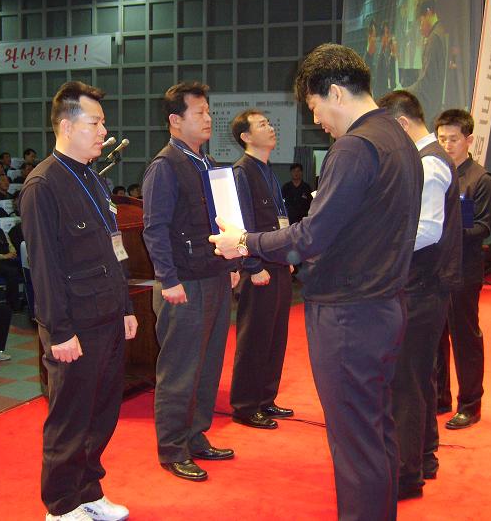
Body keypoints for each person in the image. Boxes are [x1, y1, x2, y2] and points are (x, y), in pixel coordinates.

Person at [209, 44, 422, 520]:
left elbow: (310, 236)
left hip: (349, 314)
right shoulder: (399, 138)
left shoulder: (355, 147)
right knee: (375, 431)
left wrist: (244, 242)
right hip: (384, 305)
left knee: (355, 444)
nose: (317, 120)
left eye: (314, 107)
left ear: (336, 93)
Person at [17, 80, 137, 521]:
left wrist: (126, 307)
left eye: (103, 122)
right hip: (74, 324)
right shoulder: (43, 185)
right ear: (66, 126)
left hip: (107, 314)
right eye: (95, 122)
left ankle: (88, 489)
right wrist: (59, 331)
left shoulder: (93, 178)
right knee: (70, 417)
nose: (104, 131)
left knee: (101, 412)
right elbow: (44, 268)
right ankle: (61, 504)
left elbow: (113, 248)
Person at [142, 81, 239, 483]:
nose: (208, 118)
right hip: (182, 283)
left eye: (208, 111)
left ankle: (196, 435)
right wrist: (167, 279)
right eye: (199, 112)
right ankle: (172, 448)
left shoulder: (207, 162)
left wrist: (232, 262)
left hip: (213, 275)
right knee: (180, 369)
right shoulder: (165, 166)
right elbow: (154, 229)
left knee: (207, 365)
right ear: (175, 120)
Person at [379, 90, 462, 500]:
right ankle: (424, 456)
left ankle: (407, 473)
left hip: (421, 286)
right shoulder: (429, 159)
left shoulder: (429, 163)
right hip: (428, 285)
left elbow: (426, 230)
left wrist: (381, 248)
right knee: (420, 376)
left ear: (401, 123)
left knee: (407, 381)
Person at [227, 108, 294, 431]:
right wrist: (252, 266)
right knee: (254, 337)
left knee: (275, 335)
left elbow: (279, 220)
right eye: (262, 124)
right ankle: (245, 405)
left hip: (277, 262)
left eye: (269, 122)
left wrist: (288, 254)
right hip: (258, 267)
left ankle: (266, 398)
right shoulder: (242, 172)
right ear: (246, 136)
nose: (270, 128)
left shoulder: (268, 170)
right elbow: (240, 223)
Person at [434, 108, 491, 430]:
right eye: (442, 138)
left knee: (464, 338)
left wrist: (444, 227)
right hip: (434, 270)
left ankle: (470, 403)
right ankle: (439, 397)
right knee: (435, 337)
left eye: (454, 139)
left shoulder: (480, 180)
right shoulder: (435, 174)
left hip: (464, 271)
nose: (447, 145)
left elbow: (482, 228)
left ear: (469, 140)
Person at [404, 0, 448, 121]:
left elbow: (426, 82)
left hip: (429, 112)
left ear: (428, 13)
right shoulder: (441, 33)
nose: (420, 27)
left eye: (420, 21)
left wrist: (404, 92)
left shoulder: (434, 38)